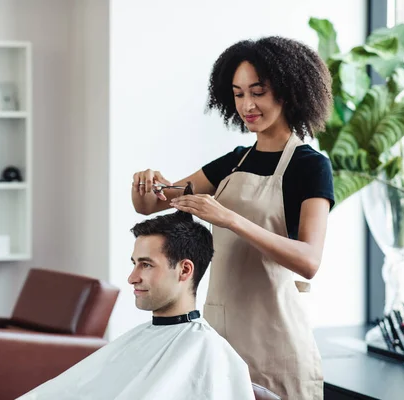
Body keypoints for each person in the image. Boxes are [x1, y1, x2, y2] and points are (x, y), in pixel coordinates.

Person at [131, 36, 334, 400]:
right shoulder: (233, 162)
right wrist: (145, 183)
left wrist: (231, 219)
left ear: (288, 92)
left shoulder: (310, 166)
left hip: (277, 340)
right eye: (238, 94)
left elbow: (309, 261)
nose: (247, 105)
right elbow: (152, 204)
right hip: (221, 337)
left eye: (258, 92)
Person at [18, 191, 256, 400]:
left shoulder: (207, 352)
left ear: (184, 270)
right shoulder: (143, 338)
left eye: (146, 265)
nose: (132, 278)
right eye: (134, 263)